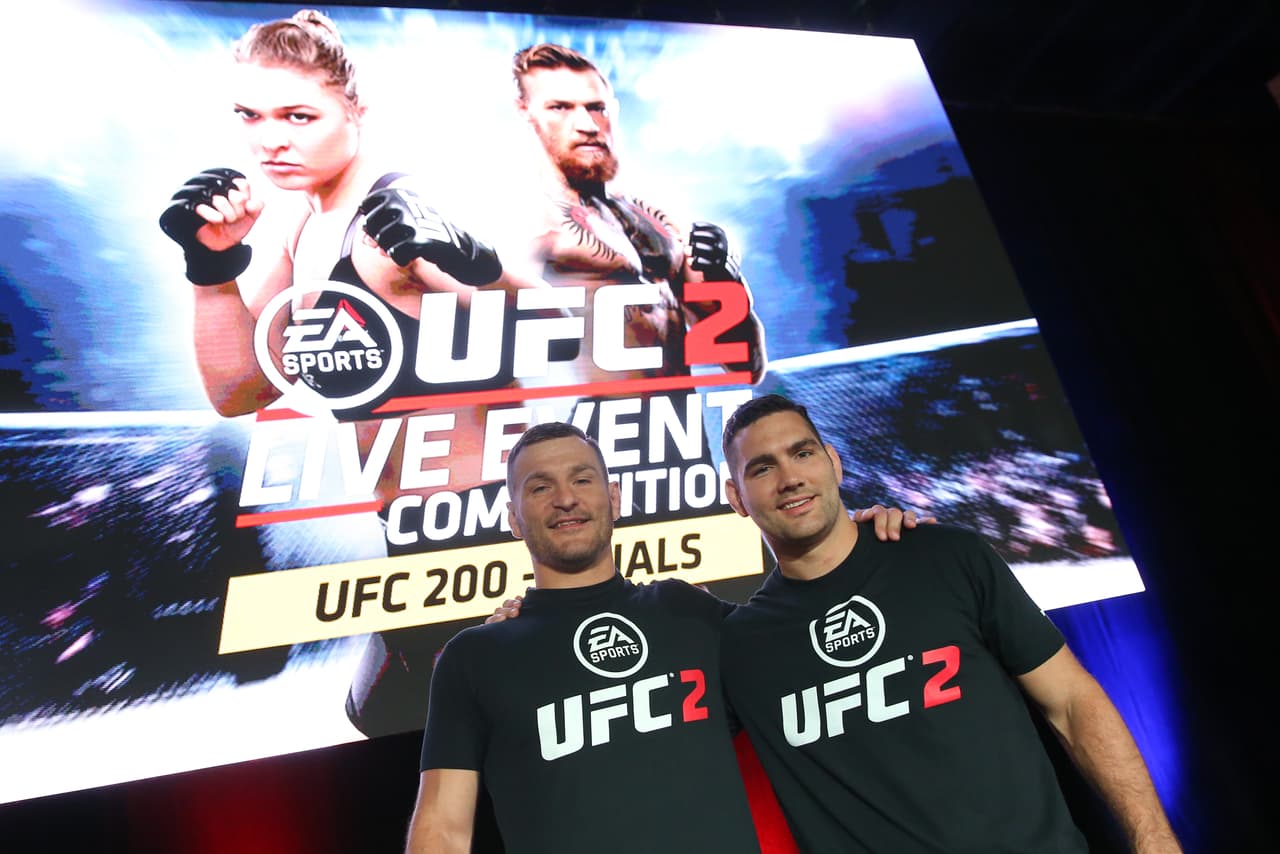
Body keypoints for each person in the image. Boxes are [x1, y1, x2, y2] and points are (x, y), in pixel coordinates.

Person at [156, 9, 550, 736]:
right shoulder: (303, 226)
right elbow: (240, 390)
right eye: (251, 114)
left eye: (298, 115)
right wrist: (209, 270)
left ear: (355, 111)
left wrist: (486, 269)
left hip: (500, 542)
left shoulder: (395, 216)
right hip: (418, 548)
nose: (270, 138)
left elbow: (563, 331)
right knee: (390, 734)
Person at [405, 422, 919, 852]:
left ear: (614, 499)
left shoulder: (685, 610)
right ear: (514, 518)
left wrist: (865, 546)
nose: (565, 499)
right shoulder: (475, 656)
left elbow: (822, 647)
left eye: (582, 480)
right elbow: (443, 830)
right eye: (539, 488)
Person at [718, 393, 1183, 853]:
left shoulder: (948, 557)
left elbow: (1072, 703)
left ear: (834, 462)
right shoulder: (740, 646)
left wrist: (1155, 841)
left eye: (802, 453)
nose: (790, 478)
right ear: (736, 497)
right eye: (762, 468)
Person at [507, 43, 765, 504]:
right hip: (594, 458)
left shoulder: (649, 219)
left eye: (596, 107)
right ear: (524, 115)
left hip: (681, 442)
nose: (587, 124)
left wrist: (728, 279)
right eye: (560, 107)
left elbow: (745, 363)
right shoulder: (524, 219)